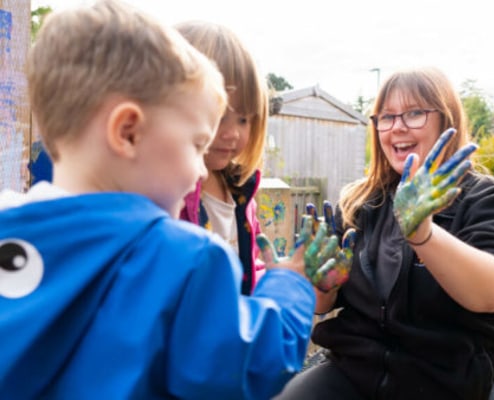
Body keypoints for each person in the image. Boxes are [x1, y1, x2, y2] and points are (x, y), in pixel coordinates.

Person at [0, 1, 333, 398]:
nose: (199, 170)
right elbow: (250, 362)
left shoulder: (12, 232)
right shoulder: (183, 257)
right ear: (127, 132)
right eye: (196, 144)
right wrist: (291, 285)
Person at [274, 66, 494, 400]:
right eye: (386, 117)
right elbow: (323, 303)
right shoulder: (360, 203)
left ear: (446, 120)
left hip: (450, 381)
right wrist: (321, 285)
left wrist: (423, 234)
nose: (397, 126)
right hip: (355, 369)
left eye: (414, 113)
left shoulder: (488, 199)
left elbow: (492, 294)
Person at [175, 21, 267, 295]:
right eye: (219, 115)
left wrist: (276, 275)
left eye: (243, 119)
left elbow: (249, 266)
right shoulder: (168, 194)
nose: (232, 134)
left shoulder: (239, 190)